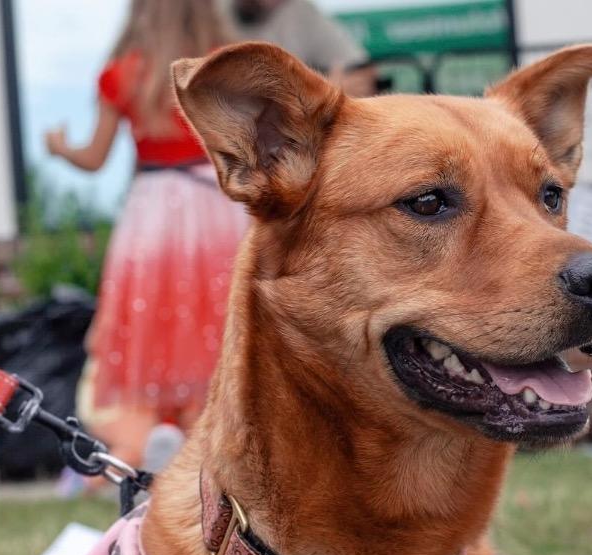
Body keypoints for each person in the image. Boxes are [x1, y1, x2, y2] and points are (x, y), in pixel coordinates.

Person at [45, 0, 249, 472]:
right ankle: (209, 442)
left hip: (153, 206)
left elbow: (93, 159)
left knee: (154, 322)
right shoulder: (220, 66)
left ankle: (158, 437)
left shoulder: (122, 75)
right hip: (213, 200)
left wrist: (59, 149)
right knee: (213, 319)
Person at [226, 0, 376, 96]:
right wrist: (315, 96)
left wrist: (324, 94)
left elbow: (360, 73)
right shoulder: (207, 12)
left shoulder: (297, 10)